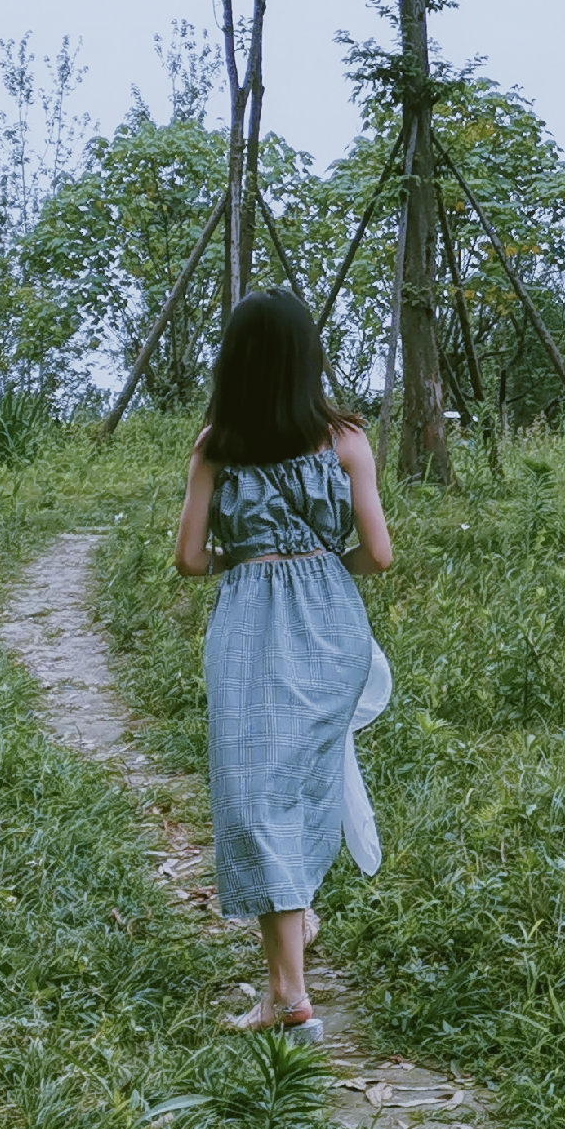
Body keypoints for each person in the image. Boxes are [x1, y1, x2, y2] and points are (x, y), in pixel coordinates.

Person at [174, 288, 393, 1031]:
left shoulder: (217, 444)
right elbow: (378, 554)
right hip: (332, 624)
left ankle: (289, 996)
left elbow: (188, 558)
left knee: (255, 792)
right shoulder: (345, 441)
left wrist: (251, 554)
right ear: (308, 358)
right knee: (299, 781)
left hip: (249, 623)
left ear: (233, 361)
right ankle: (290, 944)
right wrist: (320, 558)